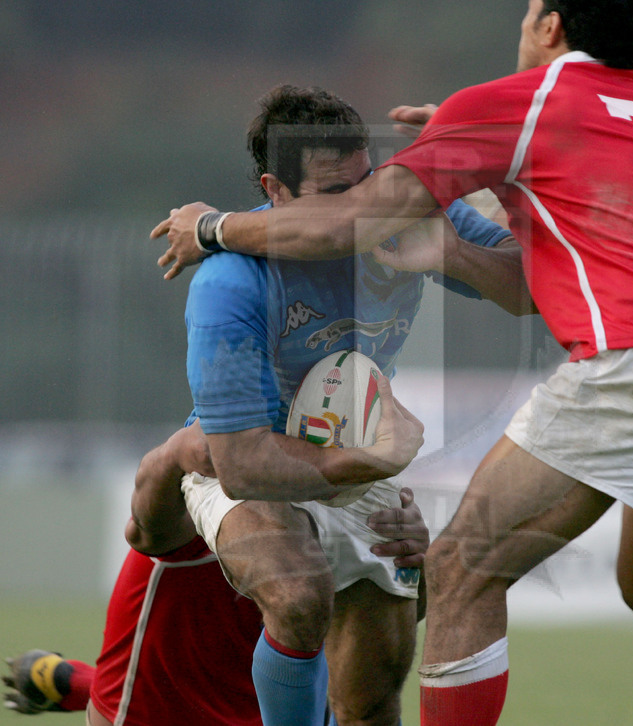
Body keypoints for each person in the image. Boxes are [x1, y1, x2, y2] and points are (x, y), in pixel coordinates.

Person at [149, 2, 633, 725]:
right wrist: (479, 190)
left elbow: (346, 224)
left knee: (458, 573)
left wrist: (209, 227)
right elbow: (549, 263)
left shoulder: (510, 105)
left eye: (527, 11)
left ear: (550, 26)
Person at [161, 84, 524, 726]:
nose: (356, 212)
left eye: (364, 185)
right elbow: (241, 464)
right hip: (245, 469)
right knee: (299, 596)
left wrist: (455, 253)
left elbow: (533, 286)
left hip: (356, 458)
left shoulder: (403, 217)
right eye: (334, 196)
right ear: (275, 191)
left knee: (372, 696)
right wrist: (374, 463)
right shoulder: (229, 282)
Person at [3, 423, 430, 724]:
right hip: (153, 714)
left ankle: (72, 682)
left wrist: (409, 565)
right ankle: (78, 684)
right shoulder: (213, 487)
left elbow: (394, 623)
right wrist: (172, 455)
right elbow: (144, 531)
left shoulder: (352, 507)